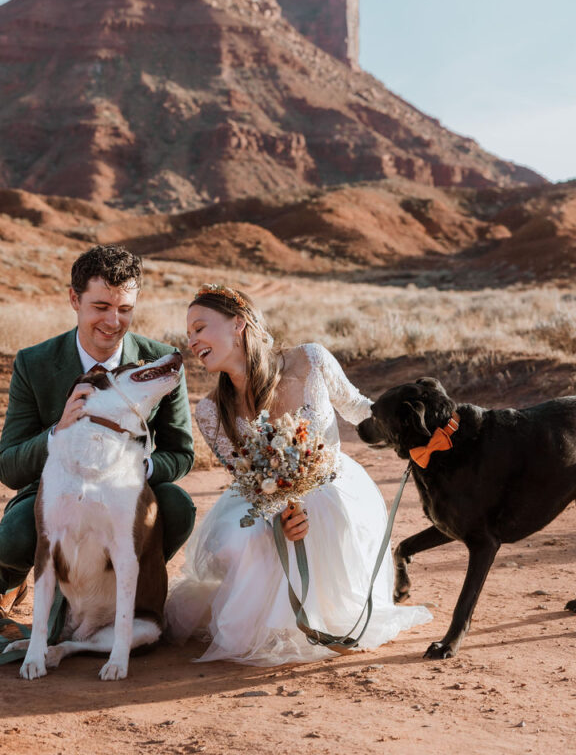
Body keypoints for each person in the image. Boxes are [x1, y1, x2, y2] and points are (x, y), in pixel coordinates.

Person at [165, 283, 431, 665]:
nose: (192, 340)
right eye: (189, 333)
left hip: (336, 490)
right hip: (270, 501)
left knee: (327, 519)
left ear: (238, 324)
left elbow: (359, 410)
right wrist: (280, 515)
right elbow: (248, 483)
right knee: (243, 540)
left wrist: (410, 432)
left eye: (200, 328)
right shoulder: (210, 412)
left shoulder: (310, 360)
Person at [0, 244, 196, 637]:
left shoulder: (160, 362)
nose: (113, 321)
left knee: (177, 506)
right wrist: (59, 431)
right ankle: (9, 580)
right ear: (74, 299)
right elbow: (9, 466)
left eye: (125, 309)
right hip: (58, 493)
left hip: (125, 494)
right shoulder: (34, 362)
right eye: (101, 307)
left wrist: (141, 466)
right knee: (16, 537)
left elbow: (181, 451)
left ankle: (113, 594)